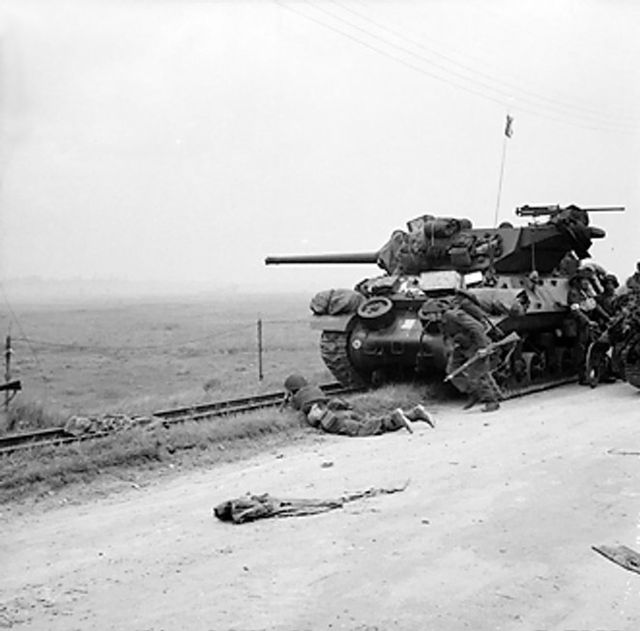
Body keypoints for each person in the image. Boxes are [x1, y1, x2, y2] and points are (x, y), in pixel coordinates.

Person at [283, 374, 435, 437]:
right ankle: (413, 414)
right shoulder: (315, 389)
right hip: (341, 410)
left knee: (367, 429)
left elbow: (289, 410)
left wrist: (288, 399)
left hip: (330, 419)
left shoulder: (298, 399)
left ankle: (397, 418)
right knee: (369, 421)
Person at [421, 300, 501, 412]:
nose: (429, 317)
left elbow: (477, 327)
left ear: (438, 312)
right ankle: (473, 392)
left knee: (477, 374)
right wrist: (449, 349)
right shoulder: (441, 322)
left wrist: (482, 347)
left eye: (430, 314)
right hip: (462, 346)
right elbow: (447, 336)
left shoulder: (454, 316)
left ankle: (491, 401)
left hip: (476, 344)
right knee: (452, 371)